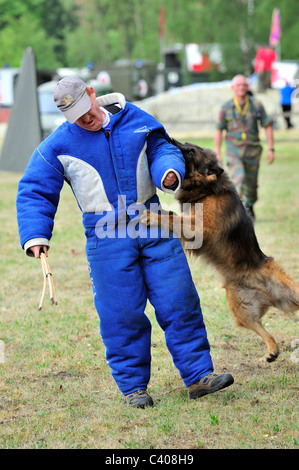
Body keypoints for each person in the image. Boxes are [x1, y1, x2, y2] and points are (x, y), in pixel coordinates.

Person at [16, 76, 234, 408]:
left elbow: (162, 147)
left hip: (153, 224)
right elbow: (34, 189)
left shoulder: (136, 119)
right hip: (105, 237)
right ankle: (134, 388)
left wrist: (168, 172)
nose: (84, 120)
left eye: (85, 111)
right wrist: (35, 235)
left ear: (92, 93)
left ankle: (199, 376)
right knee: (121, 313)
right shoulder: (57, 146)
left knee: (179, 301)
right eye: (74, 117)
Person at [215, 74, 275, 221]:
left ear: (247, 87)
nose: (241, 88)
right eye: (238, 85)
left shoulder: (256, 105)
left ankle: (250, 204)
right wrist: (217, 152)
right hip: (234, 151)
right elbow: (219, 129)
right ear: (233, 88)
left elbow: (267, 126)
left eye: (244, 85)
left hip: (253, 151)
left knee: (251, 184)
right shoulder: (226, 107)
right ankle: (238, 213)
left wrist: (271, 148)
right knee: (238, 179)